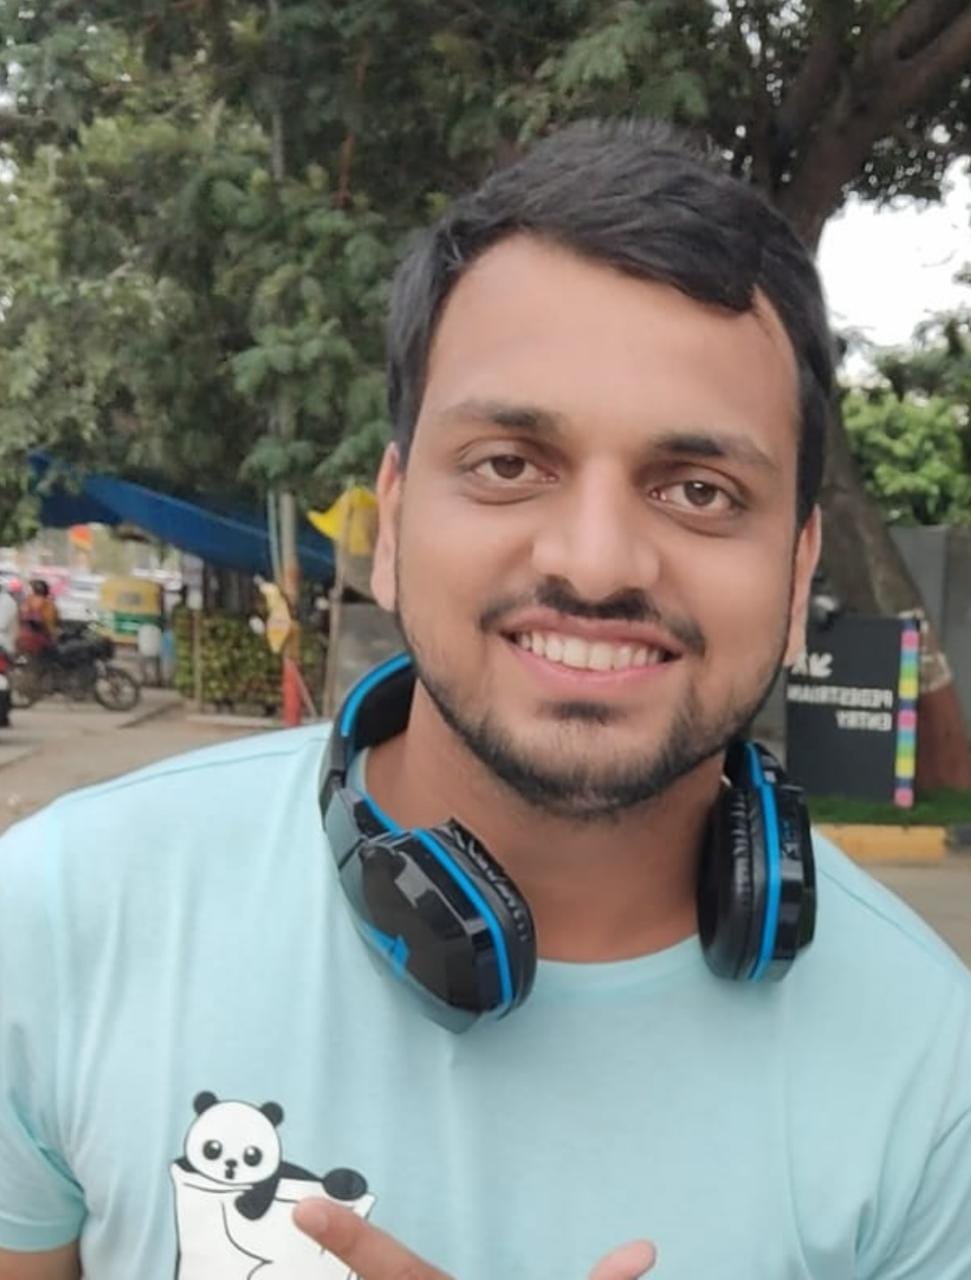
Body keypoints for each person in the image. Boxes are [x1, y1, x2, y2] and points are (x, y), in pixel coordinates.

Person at [1, 119, 969, 1280]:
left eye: (699, 489)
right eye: (508, 463)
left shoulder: (933, 1069)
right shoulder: (60, 915)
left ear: (799, 564)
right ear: (394, 520)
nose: (597, 563)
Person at [16, 576, 59, 658]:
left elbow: (19, 618)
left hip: (22, 639)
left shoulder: (27, 601)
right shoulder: (48, 604)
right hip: (40, 640)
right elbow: (50, 624)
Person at [0, 581, 18, 728]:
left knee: (4, 680)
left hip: (4, 646)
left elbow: (2, 624)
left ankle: (4, 714)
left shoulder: (6, 602)